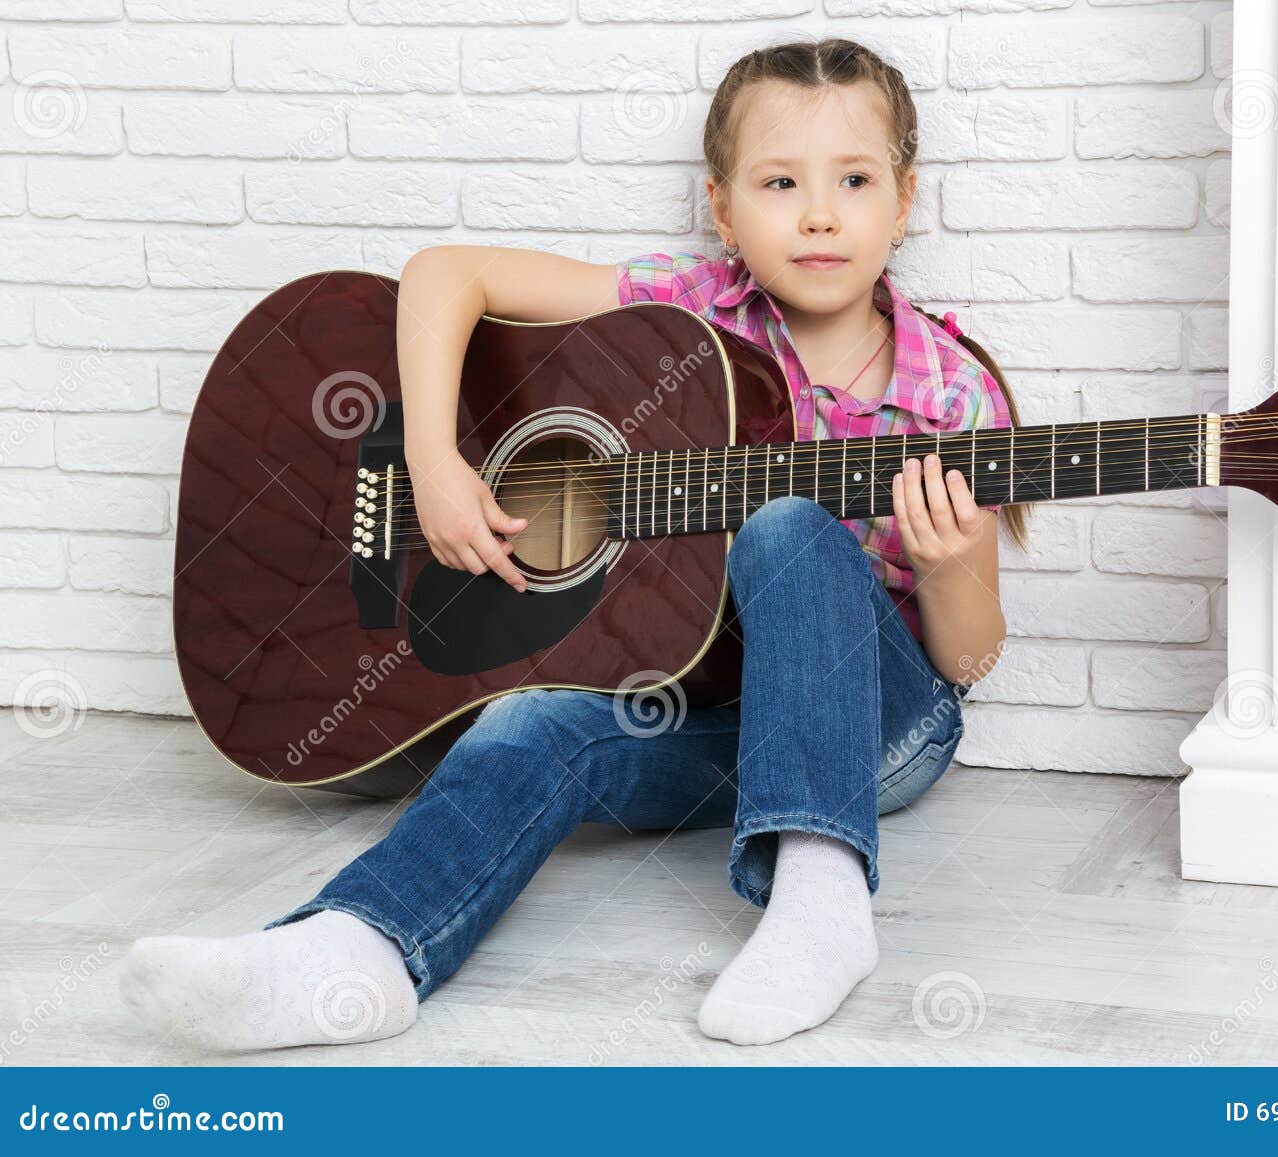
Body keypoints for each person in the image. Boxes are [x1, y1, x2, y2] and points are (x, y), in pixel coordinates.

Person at [119, 37, 1030, 1051]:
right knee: (530, 723)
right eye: (780, 181)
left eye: (853, 180)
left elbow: (968, 662)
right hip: (712, 719)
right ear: (723, 209)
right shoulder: (684, 312)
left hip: (881, 733)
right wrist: (433, 458)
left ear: (902, 200)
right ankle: (355, 952)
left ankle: (818, 899)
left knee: (787, 522)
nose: (819, 213)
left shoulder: (950, 395)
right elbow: (444, 273)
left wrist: (952, 569)